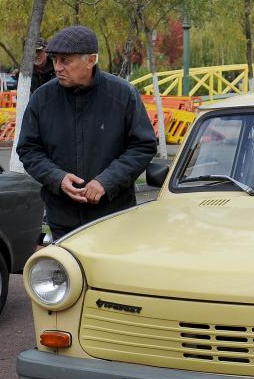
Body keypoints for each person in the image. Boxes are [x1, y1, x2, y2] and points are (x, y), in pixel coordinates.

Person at [17, 25, 157, 239]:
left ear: (91, 60)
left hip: (114, 216)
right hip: (62, 219)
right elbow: (29, 150)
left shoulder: (123, 95)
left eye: (66, 61)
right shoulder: (42, 99)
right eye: (54, 59)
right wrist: (58, 178)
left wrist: (106, 181)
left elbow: (143, 146)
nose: (57, 67)